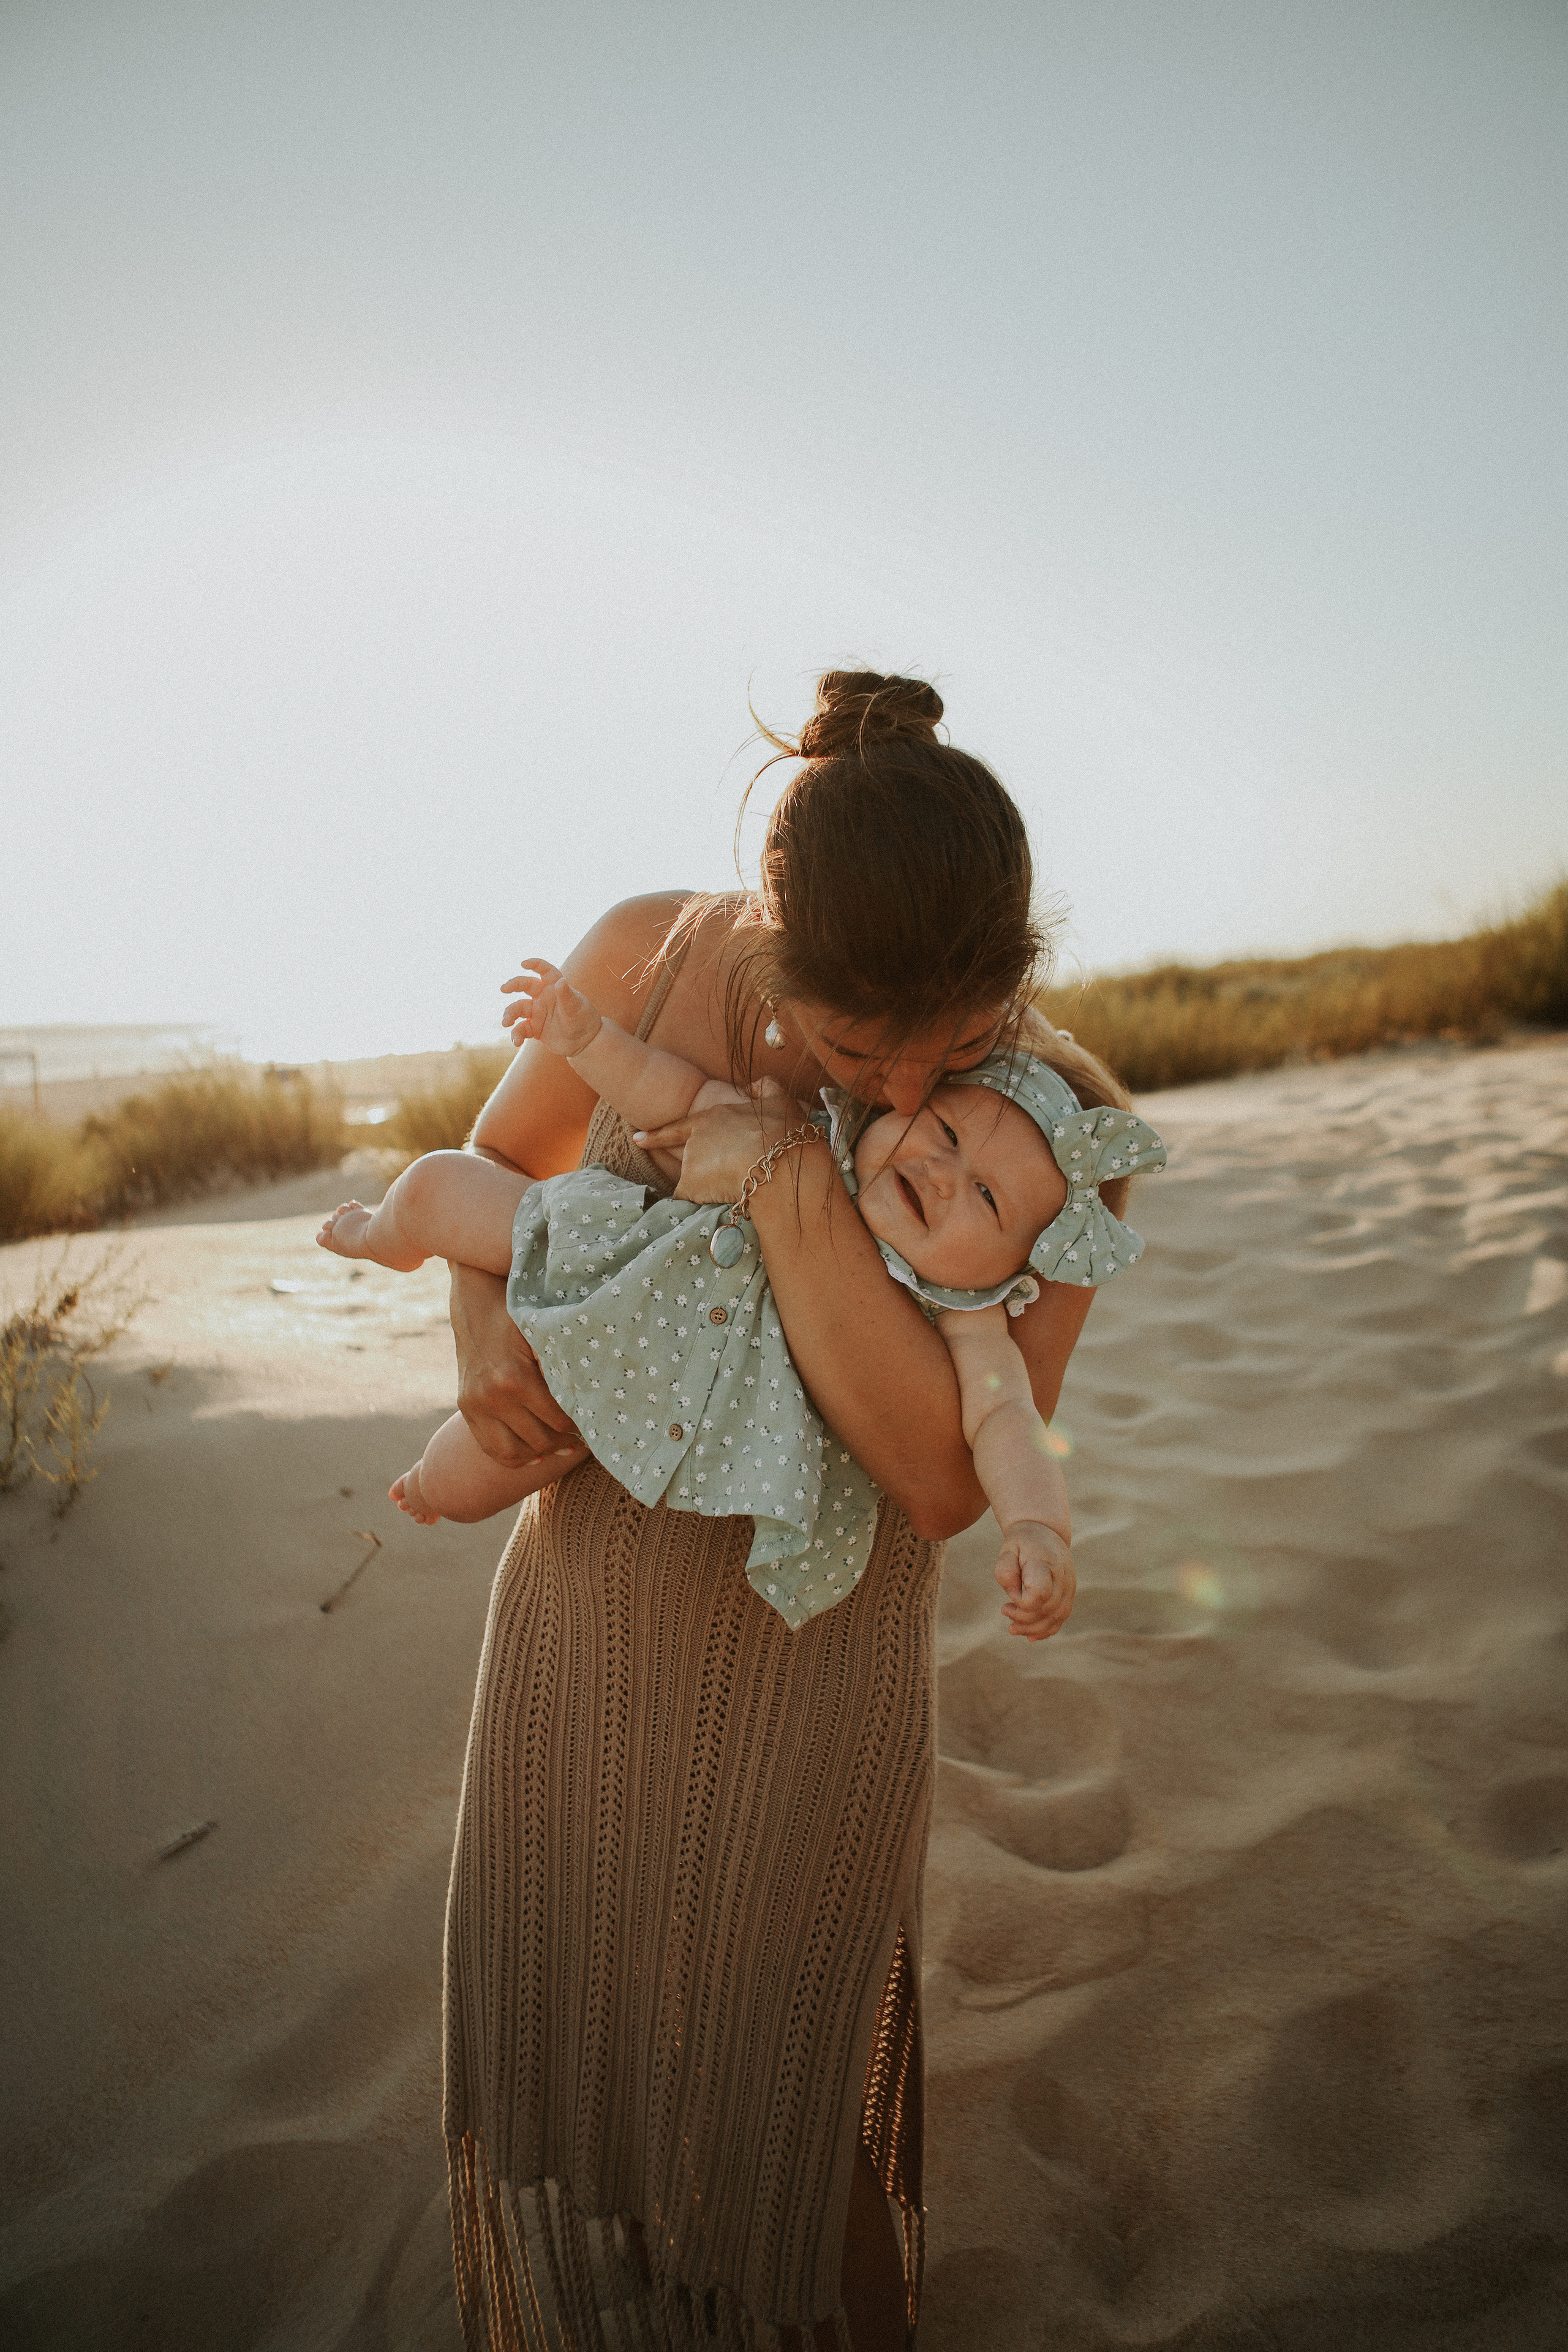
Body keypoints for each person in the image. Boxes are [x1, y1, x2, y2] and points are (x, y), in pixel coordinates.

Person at [435, 673, 1148, 2352]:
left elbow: (945, 1477)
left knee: (793, 2100)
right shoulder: (642, 963)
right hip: (583, 1621)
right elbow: (499, 1177)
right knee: (583, 2031)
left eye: (955, 1041)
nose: (906, 1087)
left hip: (817, 1669)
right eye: (855, 1045)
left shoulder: (1062, 1139)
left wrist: (785, 1175)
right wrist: (488, 1363)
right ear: (772, 941)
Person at [317, 962, 1164, 1645]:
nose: (943, 1176)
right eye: (944, 1132)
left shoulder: (967, 1313)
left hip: (670, 1401)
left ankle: (427, 1487)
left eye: (987, 1198)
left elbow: (1008, 1420)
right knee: (436, 1188)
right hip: (624, 1286)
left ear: (1019, 1266)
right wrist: (586, 1037)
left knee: (498, 1460)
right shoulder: (799, 1133)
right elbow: (674, 1096)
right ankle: (383, 1235)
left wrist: (1038, 1527)